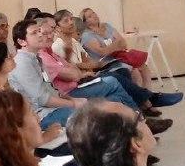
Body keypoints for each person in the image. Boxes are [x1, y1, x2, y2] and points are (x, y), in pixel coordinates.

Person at [34, 15, 173, 135]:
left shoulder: (56, 50)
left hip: (82, 80)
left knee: (121, 84)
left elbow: (80, 65)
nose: (50, 35)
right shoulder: (51, 51)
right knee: (114, 80)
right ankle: (146, 110)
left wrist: (81, 70)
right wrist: (81, 71)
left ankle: (139, 128)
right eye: (45, 33)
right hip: (72, 91)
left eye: (51, 31)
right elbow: (75, 71)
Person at [9, 19, 147, 131]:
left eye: (40, 31)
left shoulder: (36, 58)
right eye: (34, 33)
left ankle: (139, 128)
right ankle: (132, 137)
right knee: (98, 113)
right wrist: (74, 103)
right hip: (43, 115)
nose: (41, 35)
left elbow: (53, 90)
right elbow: (43, 100)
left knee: (114, 99)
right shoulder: (22, 63)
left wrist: (72, 99)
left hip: (57, 104)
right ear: (22, 42)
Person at [52, 10, 182, 115]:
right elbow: (70, 69)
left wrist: (87, 66)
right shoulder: (58, 45)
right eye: (66, 21)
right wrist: (85, 66)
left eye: (71, 19)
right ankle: (150, 100)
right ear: (58, 27)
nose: (71, 22)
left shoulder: (74, 42)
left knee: (125, 71)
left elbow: (89, 61)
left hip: (90, 73)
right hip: (78, 83)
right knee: (116, 76)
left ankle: (141, 110)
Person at [80, 8, 153, 89]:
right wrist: (116, 44)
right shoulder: (87, 36)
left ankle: (148, 92)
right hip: (105, 64)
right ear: (85, 22)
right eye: (90, 16)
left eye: (93, 13)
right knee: (134, 71)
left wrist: (111, 47)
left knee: (143, 67)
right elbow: (103, 52)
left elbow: (123, 43)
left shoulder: (107, 26)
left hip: (119, 57)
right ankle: (139, 94)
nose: (94, 16)